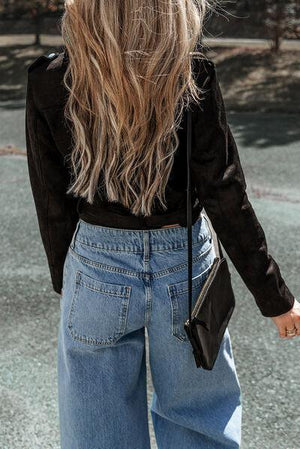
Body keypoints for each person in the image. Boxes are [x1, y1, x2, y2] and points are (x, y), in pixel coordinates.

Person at [25, 1, 300, 448]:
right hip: (184, 264)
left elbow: (51, 200)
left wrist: (69, 283)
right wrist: (276, 298)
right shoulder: (191, 75)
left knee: (99, 435)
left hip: (96, 266)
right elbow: (225, 193)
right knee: (200, 422)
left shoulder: (51, 79)